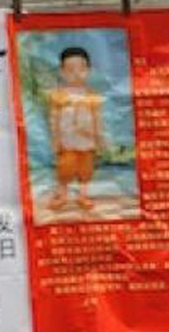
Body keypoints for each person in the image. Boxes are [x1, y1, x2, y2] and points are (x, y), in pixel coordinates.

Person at [48, 46, 105, 212]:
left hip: (87, 140)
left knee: (86, 169)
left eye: (81, 69)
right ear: (62, 72)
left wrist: (99, 137)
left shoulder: (92, 95)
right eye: (70, 70)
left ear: (89, 70)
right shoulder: (58, 95)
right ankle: (63, 195)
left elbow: (97, 117)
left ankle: (83, 195)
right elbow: (54, 118)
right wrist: (55, 138)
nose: (76, 74)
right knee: (65, 168)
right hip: (67, 140)